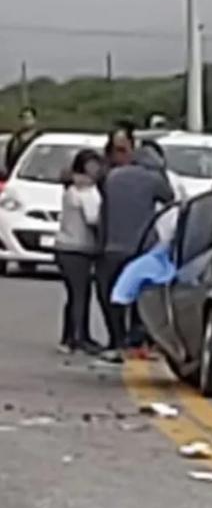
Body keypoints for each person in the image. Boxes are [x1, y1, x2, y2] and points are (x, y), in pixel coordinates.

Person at [96, 145, 174, 363]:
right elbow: (170, 197)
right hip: (141, 247)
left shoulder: (113, 177)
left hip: (112, 246)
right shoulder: (153, 179)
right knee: (142, 297)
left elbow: (104, 212)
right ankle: (138, 341)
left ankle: (117, 341)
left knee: (115, 295)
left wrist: (101, 245)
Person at [55, 149, 104, 356]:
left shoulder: (71, 188)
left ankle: (70, 337)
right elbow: (93, 219)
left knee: (75, 294)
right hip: (77, 248)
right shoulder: (85, 191)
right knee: (80, 295)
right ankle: (79, 338)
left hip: (65, 247)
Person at [5, 107, 40, 175]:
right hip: (14, 174)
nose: (25, 121)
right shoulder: (15, 138)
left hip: (32, 174)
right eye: (23, 118)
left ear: (34, 119)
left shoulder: (39, 138)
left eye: (28, 118)